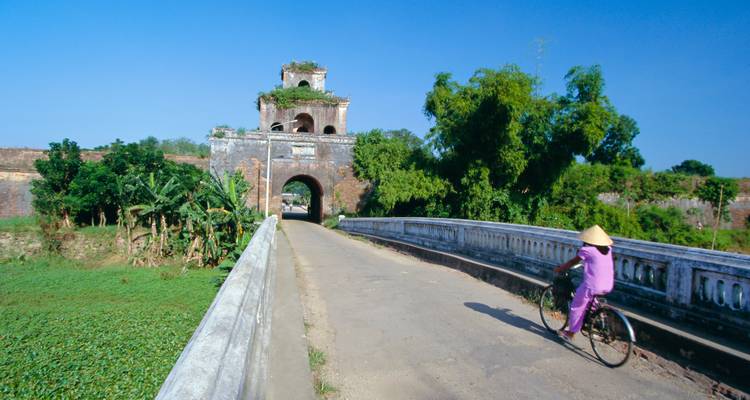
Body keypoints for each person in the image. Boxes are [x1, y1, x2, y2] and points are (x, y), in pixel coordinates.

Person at [554, 225, 615, 342]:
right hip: (608, 284)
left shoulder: (587, 250)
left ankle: (570, 333)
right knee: (591, 301)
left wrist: (560, 269)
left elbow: (573, 262)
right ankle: (599, 317)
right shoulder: (608, 249)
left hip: (593, 285)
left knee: (576, 306)